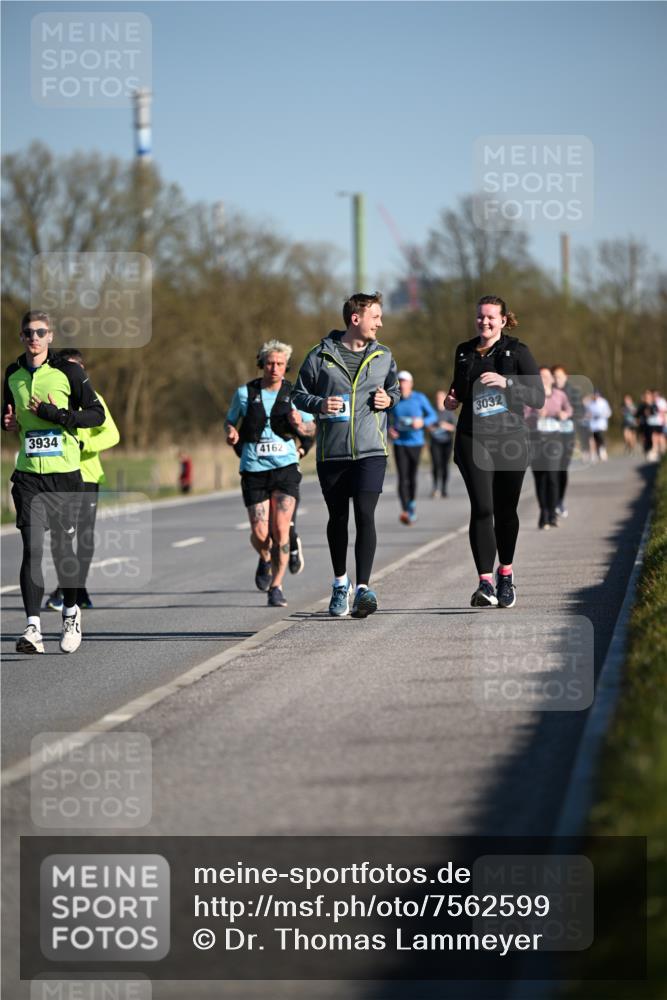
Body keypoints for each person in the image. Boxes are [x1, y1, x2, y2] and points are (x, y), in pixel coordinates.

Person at [292, 291, 400, 618]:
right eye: (375, 317)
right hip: (333, 453)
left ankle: (364, 589)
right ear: (356, 319)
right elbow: (298, 394)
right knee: (338, 518)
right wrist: (319, 404)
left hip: (371, 450)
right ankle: (341, 583)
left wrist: (390, 400)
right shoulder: (319, 356)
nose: (380, 323)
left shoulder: (383, 355)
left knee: (365, 515)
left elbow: (394, 389)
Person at [2, 312, 105, 653]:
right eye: (29, 332)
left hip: (65, 475)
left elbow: (96, 415)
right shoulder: (12, 374)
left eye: (40, 332)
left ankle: (71, 614)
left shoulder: (69, 372)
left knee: (63, 550)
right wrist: (7, 423)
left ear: (50, 336)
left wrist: (58, 415)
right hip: (29, 473)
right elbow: (9, 415)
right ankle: (32, 628)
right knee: (31, 548)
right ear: (22, 336)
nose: (34, 337)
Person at [445, 295, 544, 609]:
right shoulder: (464, 351)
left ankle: (506, 574)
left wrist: (507, 383)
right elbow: (458, 390)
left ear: (503, 320)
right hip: (472, 438)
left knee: (505, 511)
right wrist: (451, 400)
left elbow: (538, 396)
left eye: (490, 318)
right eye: (480, 317)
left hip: (510, 440)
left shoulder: (517, 351)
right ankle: (484, 582)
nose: (484, 322)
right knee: (482, 507)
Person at [225, 340, 315, 608]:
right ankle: (265, 557)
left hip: (285, 468)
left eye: (280, 364)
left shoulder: (295, 394)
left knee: (280, 530)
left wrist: (302, 426)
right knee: (261, 533)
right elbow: (230, 420)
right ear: (261, 364)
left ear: (287, 366)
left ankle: (276, 586)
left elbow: (312, 430)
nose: (274, 368)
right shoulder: (245, 393)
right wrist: (231, 433)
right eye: (270, 363)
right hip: (253, 468)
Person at [44, 349, 120, 611]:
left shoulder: (94, 398)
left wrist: (84, 443)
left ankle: (75, 588)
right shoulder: (51, 394)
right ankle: (70, 587)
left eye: (77, 369)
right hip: (57, 474)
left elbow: (112, 435)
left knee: (84, 536)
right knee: (60, 536)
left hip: (87, 476)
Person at [525, 367, 573, 530]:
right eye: (541, 376)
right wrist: (535, 415)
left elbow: (569, 409)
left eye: (547, 376)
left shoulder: (560, 395)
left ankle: (552, 514)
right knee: (540, 479)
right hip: (536, 440)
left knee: (552, 477)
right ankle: (543, 513)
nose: (544, 378)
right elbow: (523, 415)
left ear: (552, 379)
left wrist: (564, 414)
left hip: (554, 439)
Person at [387, 371, 437, 523]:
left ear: (411, 383)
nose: (402, 385)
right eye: (400, 382)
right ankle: (405, 510)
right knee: (402, 477)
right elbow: (384, 417)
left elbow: (432, 415)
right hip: (400, 443)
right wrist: (389, 429)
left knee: (411, 476)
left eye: (405, 381)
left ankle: (411, 503)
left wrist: (422, 422)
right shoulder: (394, 399)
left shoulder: (419, 398)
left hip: (416, 442)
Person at [551, 365, 582, 517]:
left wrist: (567, 415)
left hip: (567, 435)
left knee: (562, 470)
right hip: (550, 436)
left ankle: (559, 501)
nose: (557, 379)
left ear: (566, 376)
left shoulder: (573, 392)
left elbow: (581, 412)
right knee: (552, 470)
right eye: (554, 376)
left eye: (560, 376)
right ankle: (551, 502)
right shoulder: (547, 392)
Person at [429, 390, 457, 498]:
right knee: (436, 465)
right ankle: (435, 487)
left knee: (445, 465)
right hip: (435, 442)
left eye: (440, 398)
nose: (438, 400)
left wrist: (445, 426)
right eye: (437, 398)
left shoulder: (449, 412)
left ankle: (444, 488)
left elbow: (455, 427)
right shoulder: (432, 412)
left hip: (447, 442)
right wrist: (432, 428)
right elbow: (427, 424)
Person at [585, 390, 612, 462]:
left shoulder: (603, 402)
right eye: (594, 395)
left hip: (601, 424)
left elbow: (608, 412)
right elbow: (586, 412)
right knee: (594, 440)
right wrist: (588, 415)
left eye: (596, 395)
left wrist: (601, 415)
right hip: (592, 425)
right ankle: (596, 453)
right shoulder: (589, 403)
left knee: (601, 438)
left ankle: (602, 451)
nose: (595, 397)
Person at [636, 389, 661, 461]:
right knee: (646, 439)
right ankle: (648, 451)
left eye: (649, 395)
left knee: (653, 437)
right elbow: (637, 415)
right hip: (644, 425)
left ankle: (654, 452)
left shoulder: (654, 404)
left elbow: (656, 412)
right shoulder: (642, 405)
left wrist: (650, 412)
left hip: (653, 424)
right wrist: (638, 420)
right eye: (646, 395)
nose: (648, 396)